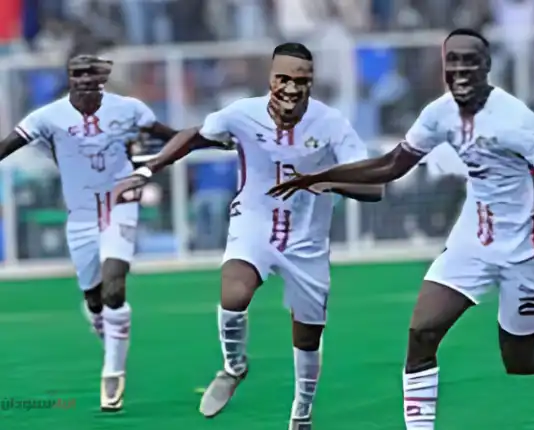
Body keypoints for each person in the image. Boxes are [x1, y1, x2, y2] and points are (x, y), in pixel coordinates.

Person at [268, 28, 534, 430]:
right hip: (472, 243)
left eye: (471, 60)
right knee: (422, 333)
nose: (461, 69)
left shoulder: (513, 119)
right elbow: (393, 164)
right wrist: (321, 176)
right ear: (443, 66)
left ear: (487, 66)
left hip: (526, 249)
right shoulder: (439, 113)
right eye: (453, 60)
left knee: (520, 359)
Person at [111, 42, 383, 429]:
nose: (291, 88)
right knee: (234, 293)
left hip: (306, 239)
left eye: (301, 81)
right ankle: (234, 366)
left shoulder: (332, 124)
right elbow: (195, 135)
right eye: (283, 79)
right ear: (270, 78)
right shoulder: (242, 114)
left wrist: (324, 180)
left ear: (311, 82)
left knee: (307, 335)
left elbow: (374, 187)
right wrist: (147, 169)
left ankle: (302, 412)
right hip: (254, 223)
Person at [0, 54, 177, 411]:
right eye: (76, 74)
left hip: (120, 205)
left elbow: (171, 137)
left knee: (115, 285)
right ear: (69, 78)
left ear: (101, 79)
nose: (83, 80)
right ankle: (103, 325)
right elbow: (9, 145)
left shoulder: (128, 109)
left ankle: (113, 371)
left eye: (89, 74)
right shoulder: (48, 116)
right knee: (95, 300)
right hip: (80, 217)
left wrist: (211, 140)